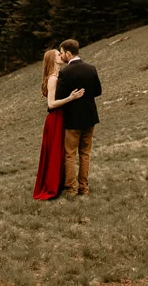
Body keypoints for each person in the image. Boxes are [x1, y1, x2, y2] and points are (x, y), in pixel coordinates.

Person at [32, 47, 84, 200]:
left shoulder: (57, 75)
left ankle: (58, 183)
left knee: (59, 152)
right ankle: (51, 186)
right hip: (55, 118)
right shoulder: (53, 78)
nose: (61, 55)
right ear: (52, 60)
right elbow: (51, 104)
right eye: (57, 54)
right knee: (55, 152)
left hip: (59, 117)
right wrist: (71, 98)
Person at [53, 39, 102, 196]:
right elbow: (98, 91)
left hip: (73, 119)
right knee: (85, 153)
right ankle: (84, 187)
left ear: (68, 53)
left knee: (70, 154)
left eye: (62, 53)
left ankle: (71, 188)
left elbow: (59, 97)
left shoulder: (65, 72)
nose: (61, 55)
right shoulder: (91, 68)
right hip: (90, 117)